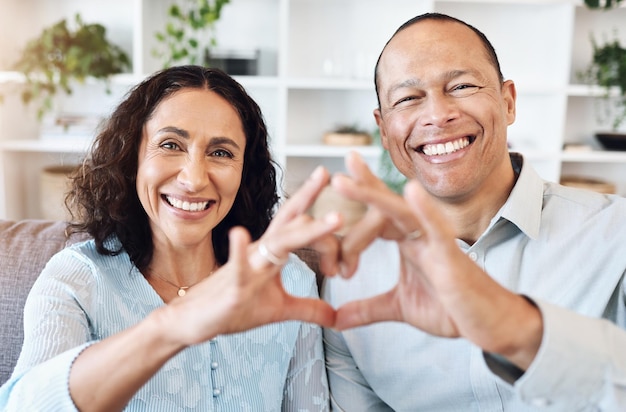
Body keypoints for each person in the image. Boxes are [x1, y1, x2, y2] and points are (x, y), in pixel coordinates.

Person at [322, 13, 626, 411]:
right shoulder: (351, 284)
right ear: (383, 128)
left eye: (462, 86)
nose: (437, 115)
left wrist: (517, 328)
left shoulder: (615, 235)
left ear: (508, 101)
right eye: (408, 98)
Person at [0, 65, 343, 411]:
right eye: (170, 144)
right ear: (132, 156)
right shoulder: (76, 280)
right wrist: (168, 327)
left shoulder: (288, 279)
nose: (194, 179)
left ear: (244, 172)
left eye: (221, 152)